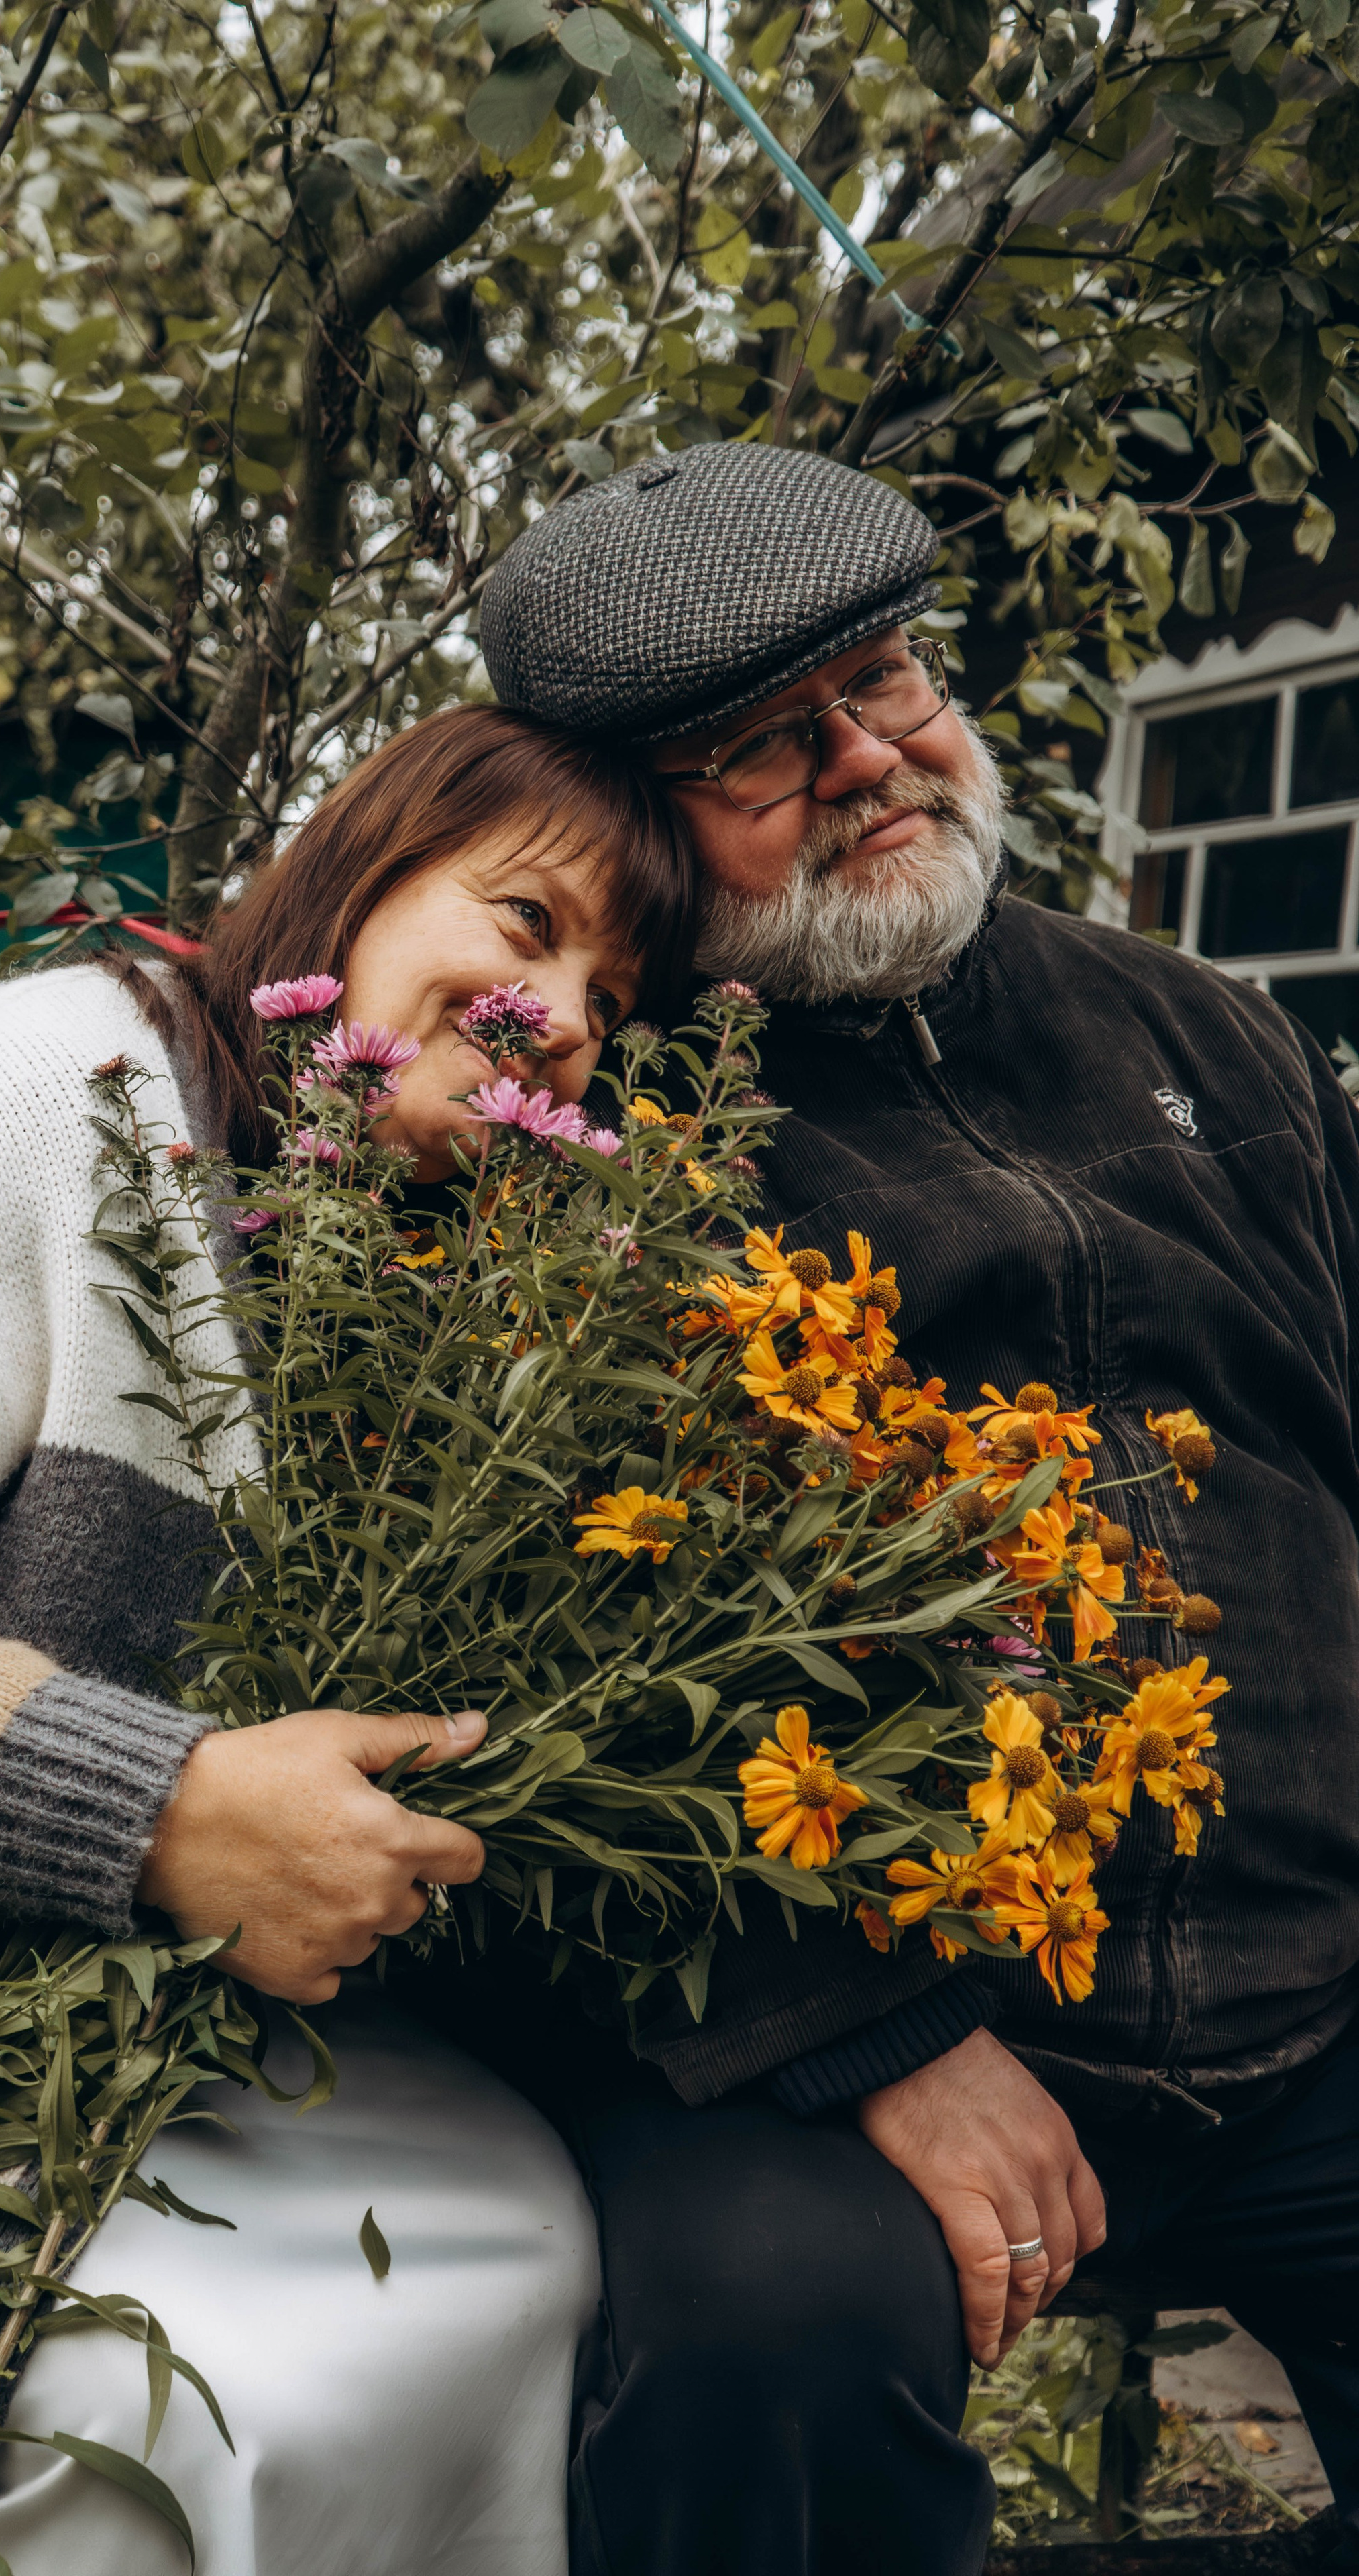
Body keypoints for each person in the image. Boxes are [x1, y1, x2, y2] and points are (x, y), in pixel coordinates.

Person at [0, 706, 695, 2576]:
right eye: (525, 926)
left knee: (525, 2241)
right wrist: (157, 1809)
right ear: (359, 870)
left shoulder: (397, 1264)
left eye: (609, 993)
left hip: (125, 2011)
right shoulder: (32, 1092)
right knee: (213, 2388)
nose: (564, 1014)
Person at [474, 439, 1359, 2575]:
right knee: (758, 2341)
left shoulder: (1198, 1029)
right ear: (628, 819)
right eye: (768, 745)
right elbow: (523, 1688)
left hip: (1314, 1980)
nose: (871, 759)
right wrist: (869, 2036)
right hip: (843, 2035)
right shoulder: (590, 1114)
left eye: (892, 686)